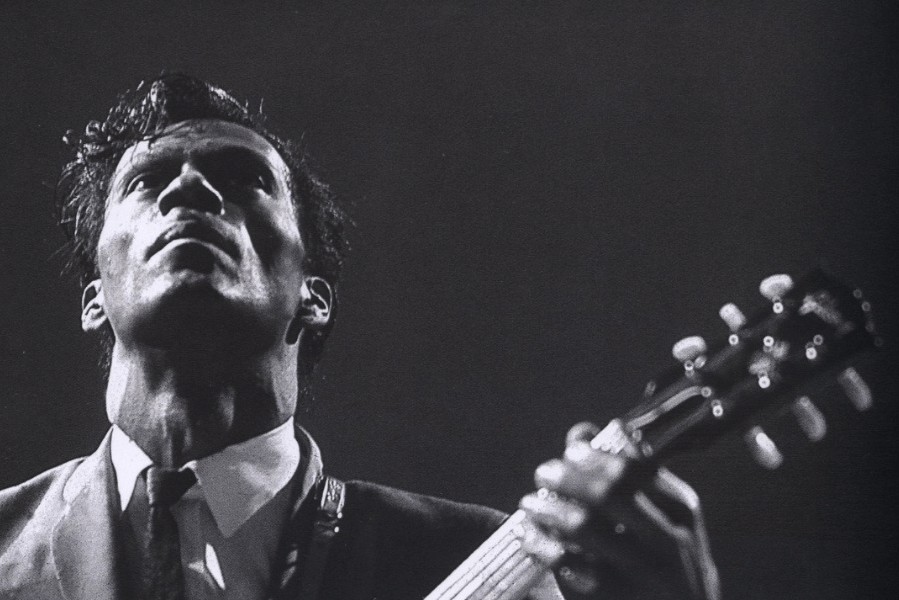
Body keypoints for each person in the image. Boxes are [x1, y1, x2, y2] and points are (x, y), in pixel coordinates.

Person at [0, 74, 719, 600]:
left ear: (313, 297)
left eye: (242, 177)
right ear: (95, 299)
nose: (190, 189)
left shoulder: (473, 558)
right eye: (149, 180)